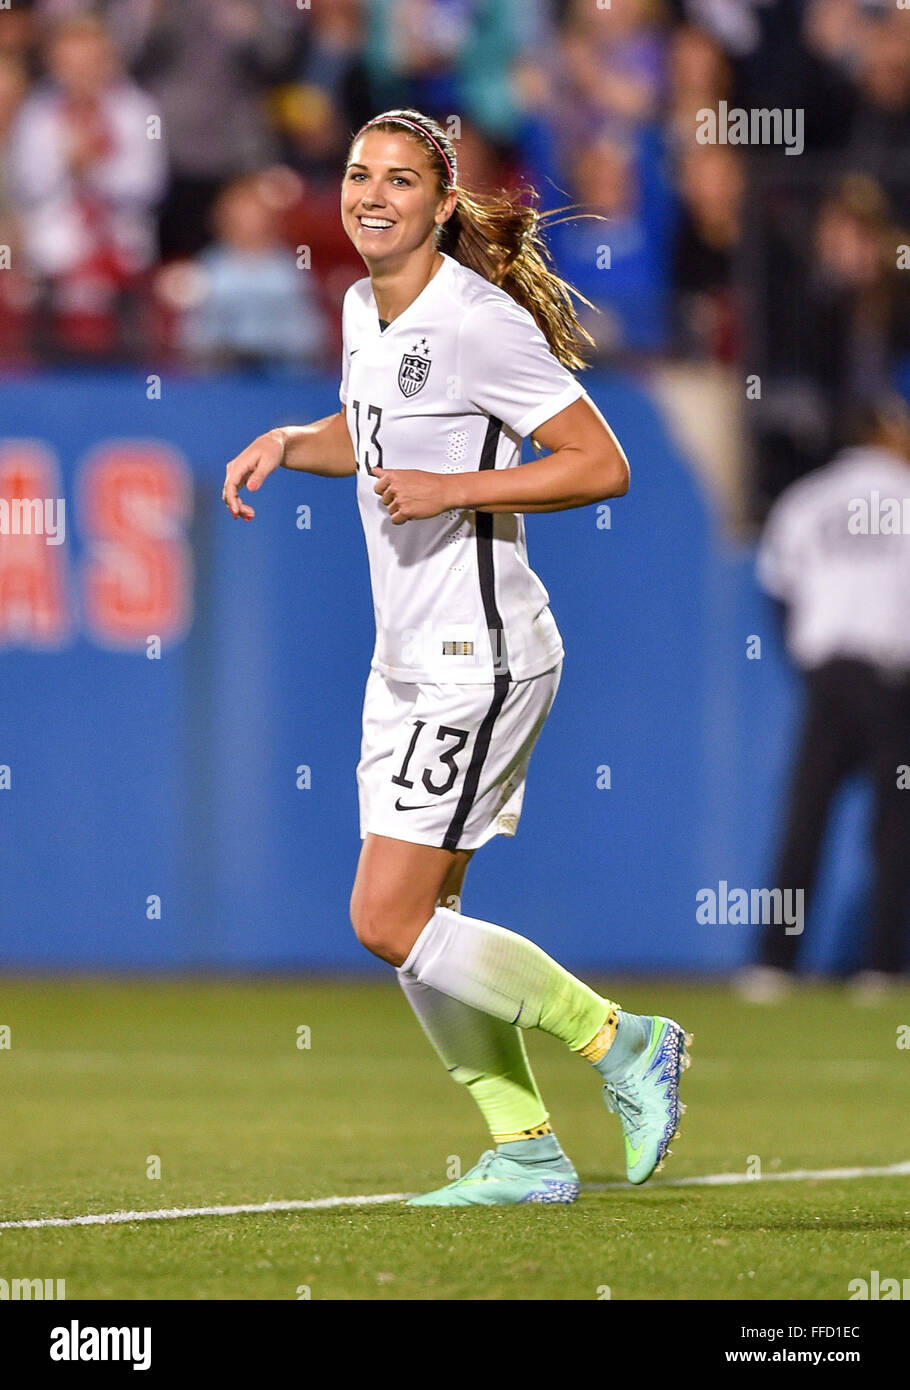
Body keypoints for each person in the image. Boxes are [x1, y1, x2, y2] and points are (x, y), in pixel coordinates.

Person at [222, 108, 691, 1206]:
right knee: (421, 928)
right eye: (356, 174)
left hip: (478, 653)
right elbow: (371, 430)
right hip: (407, 659)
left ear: (441, 204)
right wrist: (293, 443)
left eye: (398, 179)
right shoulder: (356, 307)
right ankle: (523, 1147)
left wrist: (458, 488)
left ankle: (623, 1041)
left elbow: (599, 461)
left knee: (385, 918)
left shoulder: (479, 323)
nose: (371, 193)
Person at [739, 395, 910, 1003]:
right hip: (894, 684)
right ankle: (882, 969)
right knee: (895, 828)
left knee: (805, 819)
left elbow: (779, 589)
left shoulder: (808, 498)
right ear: (882, 433)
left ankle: (772, 966)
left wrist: (806, 661)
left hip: (827, 678)